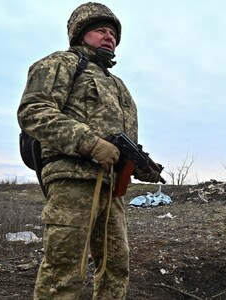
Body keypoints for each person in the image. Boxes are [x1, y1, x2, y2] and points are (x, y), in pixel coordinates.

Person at [17, 2, 162, 299]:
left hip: (112, 190)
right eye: (100, 31)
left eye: (112, 33)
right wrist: (90, 143)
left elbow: (121, 143)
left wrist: (141, 166)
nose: (109, 36)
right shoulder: (62, 63)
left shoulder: (119, 86)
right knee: (64, 269)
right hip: (73, 182)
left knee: (116, 267)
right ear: (81, 34)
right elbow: (33, 112)